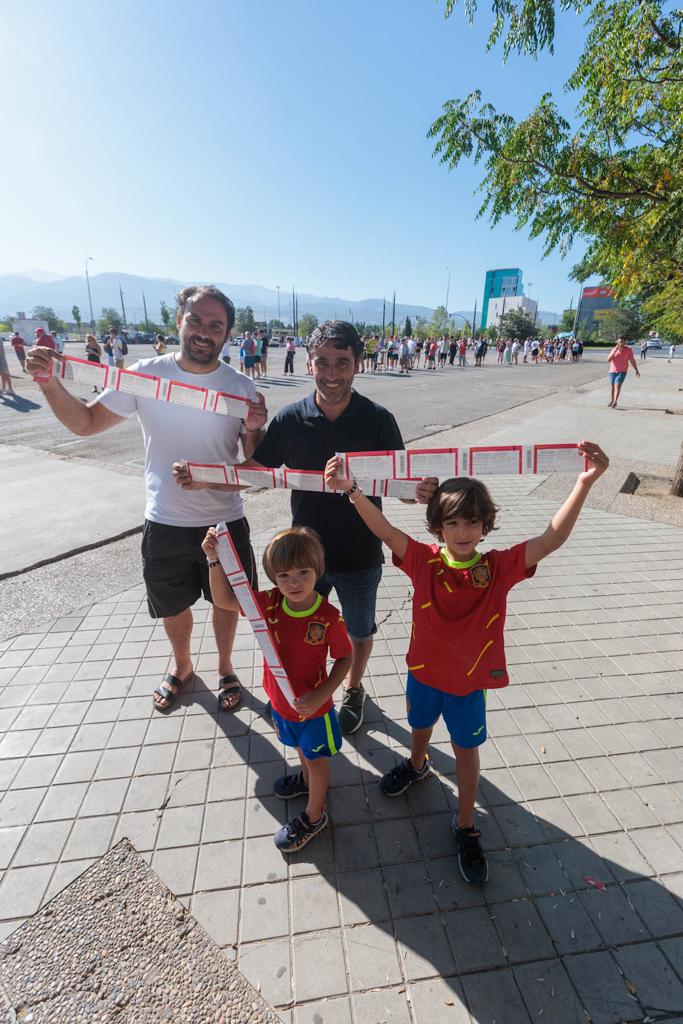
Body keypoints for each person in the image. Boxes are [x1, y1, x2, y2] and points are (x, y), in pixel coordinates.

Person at [325, 439, 609, 882]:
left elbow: (551, 538)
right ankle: (417, 766)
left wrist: (583, 484)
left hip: (469, 683)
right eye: (453, 522)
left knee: (465, 751)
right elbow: (383, 530)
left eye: (472, 522)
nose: (462, 531)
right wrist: (352, 491)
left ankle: (465, 824)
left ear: (485, 525)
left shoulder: (498, 567)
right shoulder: (422, 559)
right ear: (437, 526)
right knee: (418, 725)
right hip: (422, 672)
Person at [175, 320, 437, 735]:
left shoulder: (378, 420)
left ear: (358, 364)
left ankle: (353, 688)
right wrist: (205, 478)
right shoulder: (292, 419)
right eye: (322, 363)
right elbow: (256, 470)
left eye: (342, 363)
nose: (332, 374)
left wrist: (418, 491)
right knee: (304, 630)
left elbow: (401, 486)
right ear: (310, 364)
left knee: (359, 630)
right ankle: (313, 689)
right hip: (304, 558)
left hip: (359, 551)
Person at [26, 285, 267, 714]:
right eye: (195, 320)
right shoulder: (145, 375)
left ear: (228, 334)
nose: (203, 332)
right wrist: (49, 383)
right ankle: (182, 667)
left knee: (225, 603)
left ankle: (226, 667)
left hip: (224, 520)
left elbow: (251, 461)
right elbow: (84, 423)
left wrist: (253, 427)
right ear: (178, 321)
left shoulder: (241, 386)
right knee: (172, 605)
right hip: (165, 520)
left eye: (215, 325)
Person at [202, 525, 351, 852]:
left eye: (303, 572)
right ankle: (307, 782)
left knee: (318, 761)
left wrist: (321, 695)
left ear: (318, 569)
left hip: (314, 711)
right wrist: (214, 559)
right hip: (281, 704)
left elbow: (345, 658)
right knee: (301, 754)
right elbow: (224, 599)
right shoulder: (267, 604)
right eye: (283, 575)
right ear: (272, 576)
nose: (293, 582)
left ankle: (315, 815)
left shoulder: (329, 617)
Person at [607, 335, 640, 408]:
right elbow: (608, 360)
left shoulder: (628, 350)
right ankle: (612, 400)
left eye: (622, 342)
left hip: (622, 371)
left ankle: (615, 401)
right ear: (617, 343)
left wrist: (636, 370)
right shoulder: (614, 349)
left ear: (625, 342)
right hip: (612, 371)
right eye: (619, 342)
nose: (621, 343)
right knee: (612, 386)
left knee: (617, 386)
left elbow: (632, 360)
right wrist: (615, 350)